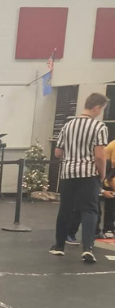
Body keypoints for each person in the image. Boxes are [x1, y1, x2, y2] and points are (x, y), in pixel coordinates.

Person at [50, 93, 110, 263]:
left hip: (68, 174)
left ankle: (59, 246)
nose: (101, 113)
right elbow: (100, 156)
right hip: (89, 174)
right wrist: (102, 174)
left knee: (66, 209)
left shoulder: (67, 126)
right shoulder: (99, 127)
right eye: (102, 110)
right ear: (97, 107)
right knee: (90, 210)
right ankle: (88, 248)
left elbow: (57, 152)